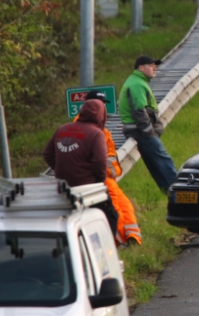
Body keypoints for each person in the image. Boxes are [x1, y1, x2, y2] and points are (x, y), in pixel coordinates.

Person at [43, 99, 119, 237]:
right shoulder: (96, 133)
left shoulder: (62, 129)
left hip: (63, 188)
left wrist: (61, 169)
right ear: (102, 115)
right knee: (109, 217)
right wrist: (99, 182)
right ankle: (104, 251)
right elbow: (100, 162)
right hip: (88, 189)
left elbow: (47, 154)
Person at [78, 90, 142, 246]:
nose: (103, 108)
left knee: (125, 205)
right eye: (100, 104)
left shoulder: (101, 128)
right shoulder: (87, 128)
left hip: (108, 177)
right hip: (100, 178)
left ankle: (132, 236)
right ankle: (119, 242)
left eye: (104, 104)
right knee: (115, 210)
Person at [119, 55, 177, 194]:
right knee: (165, 163)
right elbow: (139, 111)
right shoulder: (137, 84)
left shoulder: (137, 81)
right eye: (151, 65)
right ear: (141, 67)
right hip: (140, 132)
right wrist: (150, 133)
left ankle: (170, 194)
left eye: (155, 66)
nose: (155, 68)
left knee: (156, 165)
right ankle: (182, 195)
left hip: (137, 131)